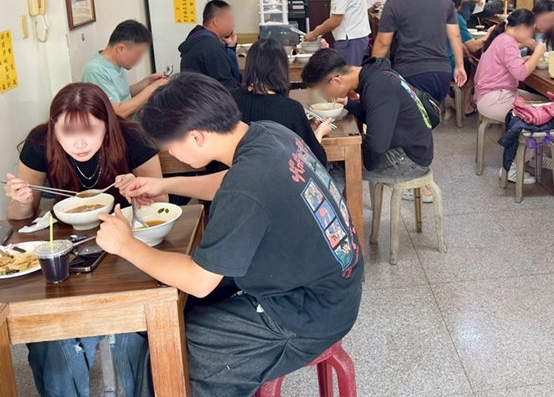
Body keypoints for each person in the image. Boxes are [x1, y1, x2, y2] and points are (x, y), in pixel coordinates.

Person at [97, 72, 363, 397]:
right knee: (181, 306)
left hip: (307, 313)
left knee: (175, 346)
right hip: (330, 287)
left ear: (195, 138)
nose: (173, 156)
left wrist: (125, 245)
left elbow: (199, 278)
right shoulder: (268, 133)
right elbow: (233, 181)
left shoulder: (247, 185)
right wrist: (166, 184)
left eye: (171, 147)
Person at [5, 83, 165, 397]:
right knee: (50, 333)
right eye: (67, 131)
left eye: (90, 130)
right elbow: (20, 216)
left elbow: (162, 199)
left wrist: (142, 188)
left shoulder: (133, 137)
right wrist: (21, 198)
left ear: (107, 124)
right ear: (54, 128)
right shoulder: (40, 143)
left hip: (127, 248)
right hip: (67, 251)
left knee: (135, 329)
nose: (79, 143)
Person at [302, 49, 435, 199]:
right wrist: (349, 104)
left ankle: (328, 216)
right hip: (412, 147)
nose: (325, 97)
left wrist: (362, 163)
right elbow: (377, 119)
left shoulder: (378, 86)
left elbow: (377, 144)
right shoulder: (375, 74)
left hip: (409, 159)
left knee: (339, 163)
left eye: (323, 91)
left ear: (336, 81)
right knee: (346, 156)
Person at [373, 0, 467, 102]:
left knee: (413, 122)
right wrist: (459, 66)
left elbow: (383, 44)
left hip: (411, 74)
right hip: (442, 74)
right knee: (429, 118)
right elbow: (455, 36)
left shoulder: (395, 2)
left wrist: (372, 72)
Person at [474, 9, 546, 184]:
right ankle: (512, 168)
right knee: (538, 116)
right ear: (522, 27)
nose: (531, 35)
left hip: (494, 94)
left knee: (545, 104)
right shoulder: (507, 42)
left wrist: (526, 55)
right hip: (494, 98)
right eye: (531, 30)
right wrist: (538, 53)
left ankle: (535, 154)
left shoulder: (502, 38)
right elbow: (521, 74)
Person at [232, 38, 331, 167]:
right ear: (282, 68)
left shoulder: (228, 99)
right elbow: (314, 161)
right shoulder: (291, 109)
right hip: (277, 183)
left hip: (231, 178)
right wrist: (319, 133)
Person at [80, 19, 168, 118]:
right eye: (138, 54)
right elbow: (117, 113)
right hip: (120, 130)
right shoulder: (95, 71)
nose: (139, 59)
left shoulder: (116, 63)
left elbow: (122, 94)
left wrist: (148, 82)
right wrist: (152, 89)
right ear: (120, 49)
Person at [179, 0, 243, 90]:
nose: (233, 24)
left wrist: (230, 47)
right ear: (216, 21)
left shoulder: (197, 37)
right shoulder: (212, 47)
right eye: (230, 19)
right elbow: (227, 86)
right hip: (208, 100)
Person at [444, 0, 483, 116]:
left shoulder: (436, 15)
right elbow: (474, 46)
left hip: (433, 62)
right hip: (448, 65)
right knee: (471, 69)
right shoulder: (456, 18)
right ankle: (465, 107)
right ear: (460, 3)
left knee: (467, 60)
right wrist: (489, 34)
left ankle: (456, 100)